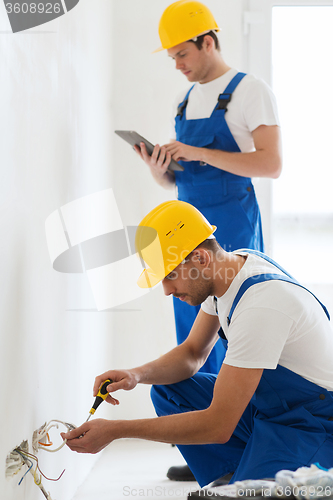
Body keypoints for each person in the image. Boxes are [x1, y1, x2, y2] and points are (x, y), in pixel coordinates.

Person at [62, 201, 333, 499]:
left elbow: (218, 425)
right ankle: (232, 475)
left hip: (313, 424)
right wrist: (135, 375)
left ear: (201, 258)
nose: (166, 290)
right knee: (168, 390)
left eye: (169, 275)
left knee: (256, 492)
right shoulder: (229, 272)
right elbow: (192, 353)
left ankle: (267, 475)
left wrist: (116, 430)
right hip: (272, 407)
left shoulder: (262, 303)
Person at [135, 0, 282, 402]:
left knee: (238, 326)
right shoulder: (183, 102)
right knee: (191, 330)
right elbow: (174, 185)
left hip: (230, 228)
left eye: (182, 53)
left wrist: (198, 152)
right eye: (172, 57)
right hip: (183, 236)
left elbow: (271, 164)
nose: (177, 64)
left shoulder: (250, 90)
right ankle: (203, 437)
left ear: (208, 41)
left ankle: (242, 431)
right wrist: (158, 167)